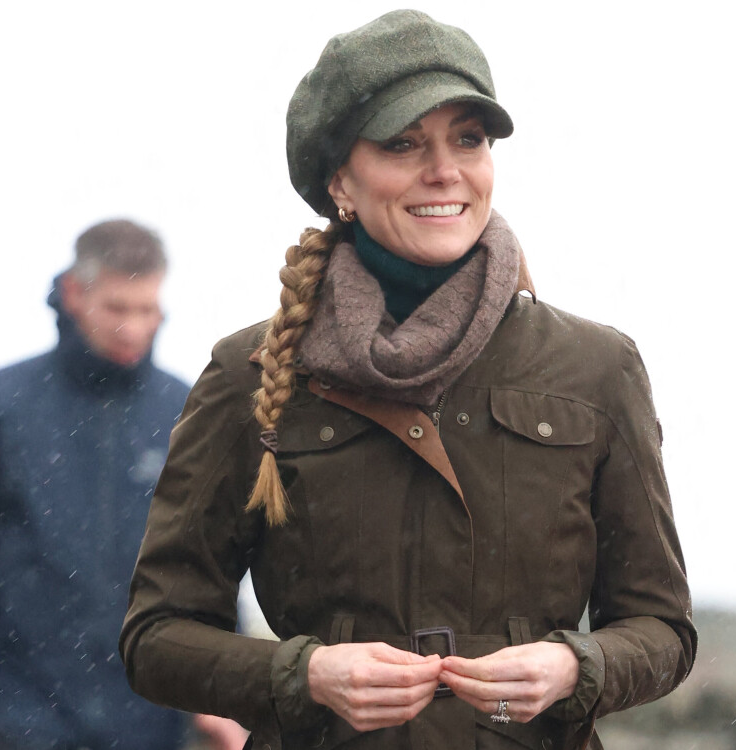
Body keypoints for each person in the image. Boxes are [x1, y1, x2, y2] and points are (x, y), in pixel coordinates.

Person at [119, 10, 695, 750]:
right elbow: (156, 636)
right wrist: (307, 676)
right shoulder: (250, 374)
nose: (445, 170)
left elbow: (665, 629)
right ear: (339, 180)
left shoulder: (596, 366)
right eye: (402, 144)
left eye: (468, 139)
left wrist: (573, 665)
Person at [0, 219, 210, 750]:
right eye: (117, 308)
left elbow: (207, 570)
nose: (133, 327)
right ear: (73, 293)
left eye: (147, 310)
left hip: (146, 725)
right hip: (12, 719)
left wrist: (221, 694)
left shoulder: (186, 413)